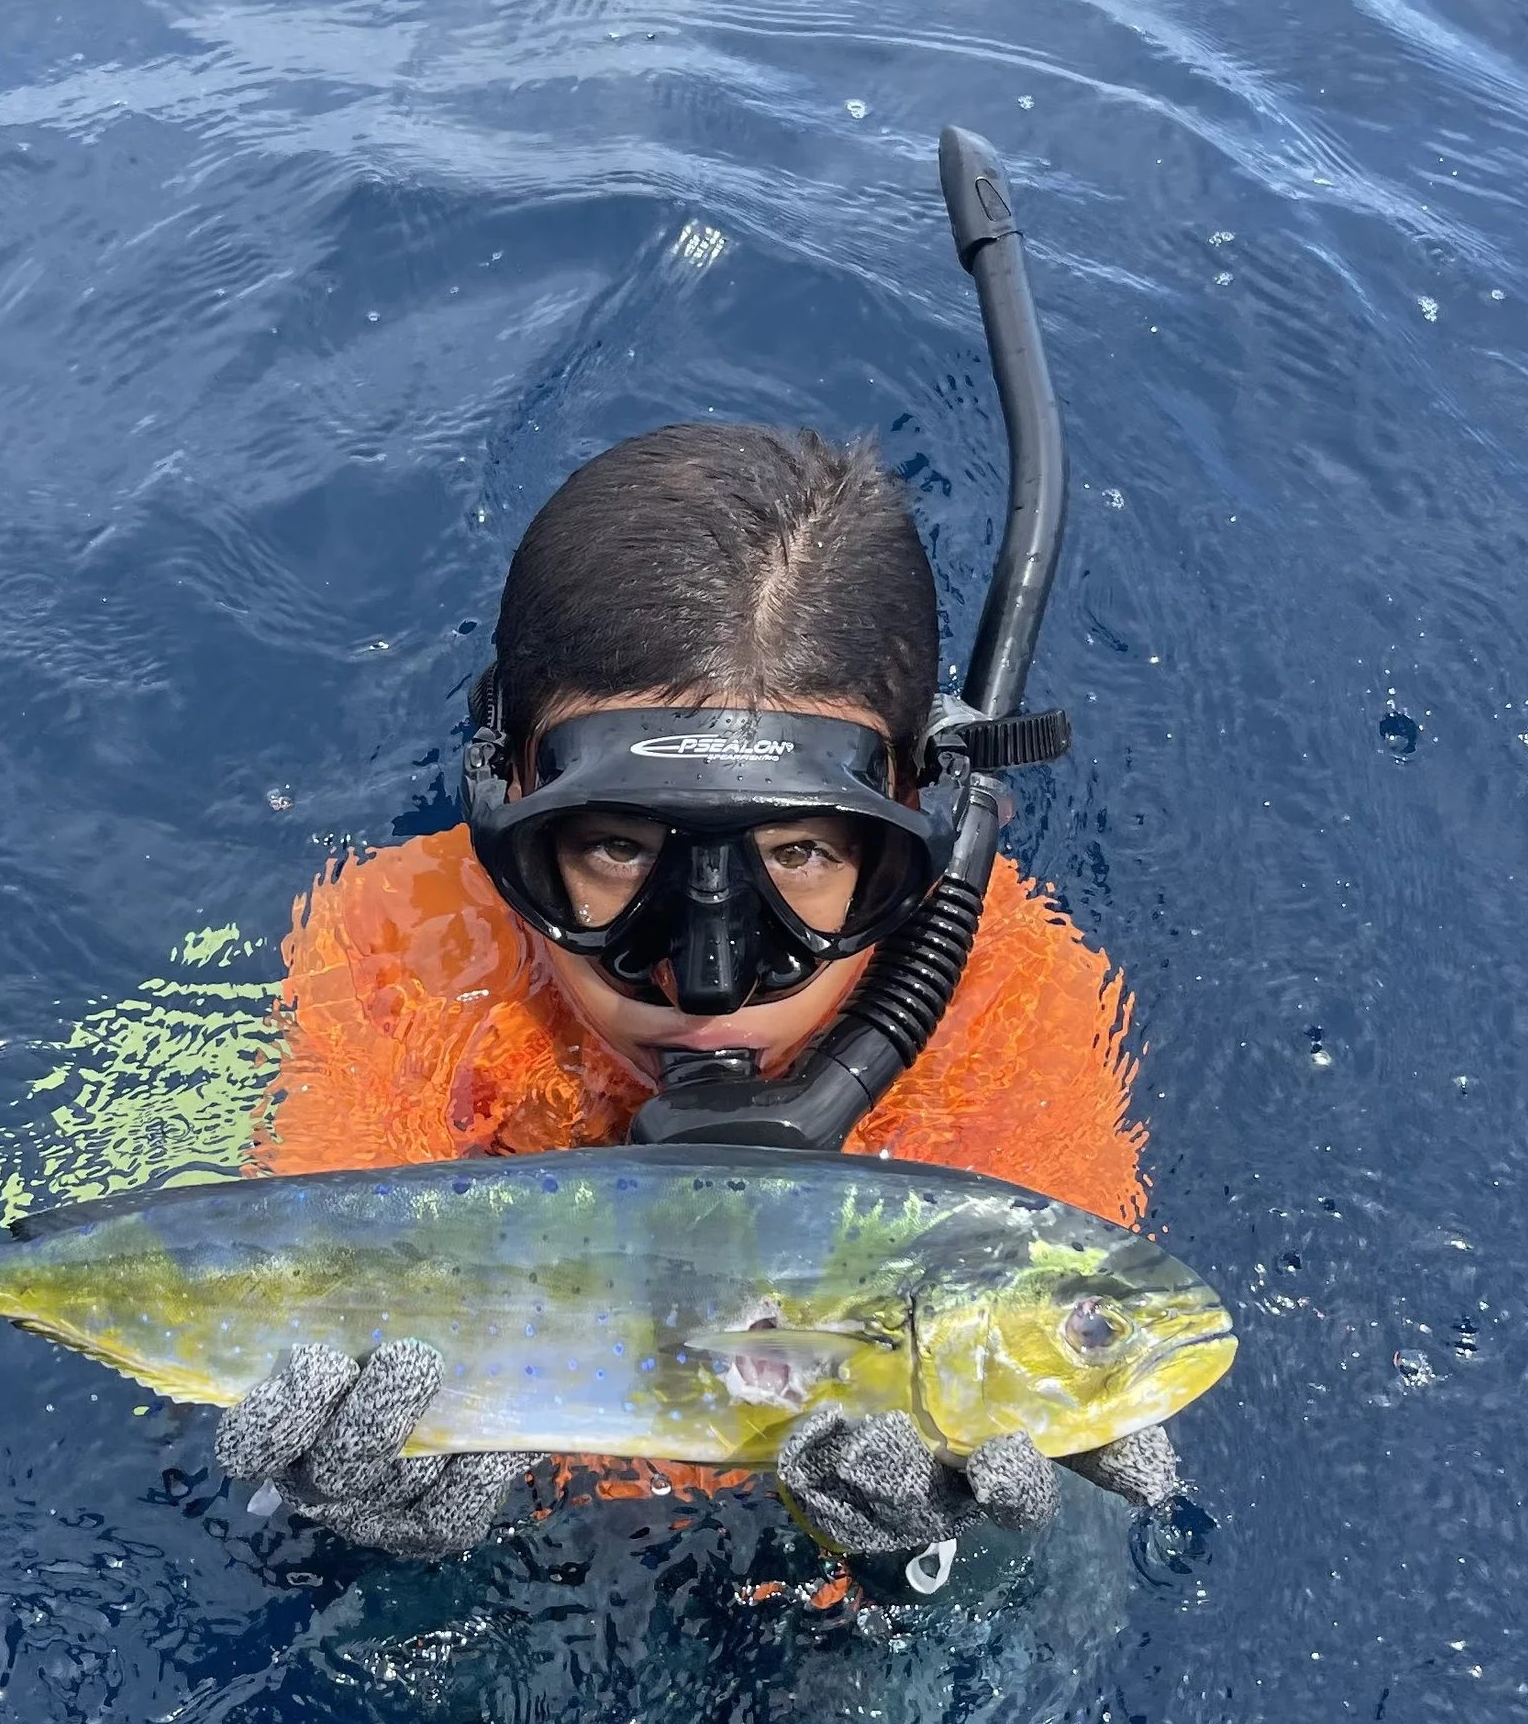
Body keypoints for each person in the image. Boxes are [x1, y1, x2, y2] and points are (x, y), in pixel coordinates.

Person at [213, 420, 1179, 1586]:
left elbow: (1066, 1390)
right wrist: (338, 1498)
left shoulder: (1013, 994)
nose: (705, 974)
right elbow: (262, 1320)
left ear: (928, 827)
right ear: (507, 799)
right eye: (616, 848)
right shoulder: (398, 943)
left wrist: (939, 1554)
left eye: (807, 852)